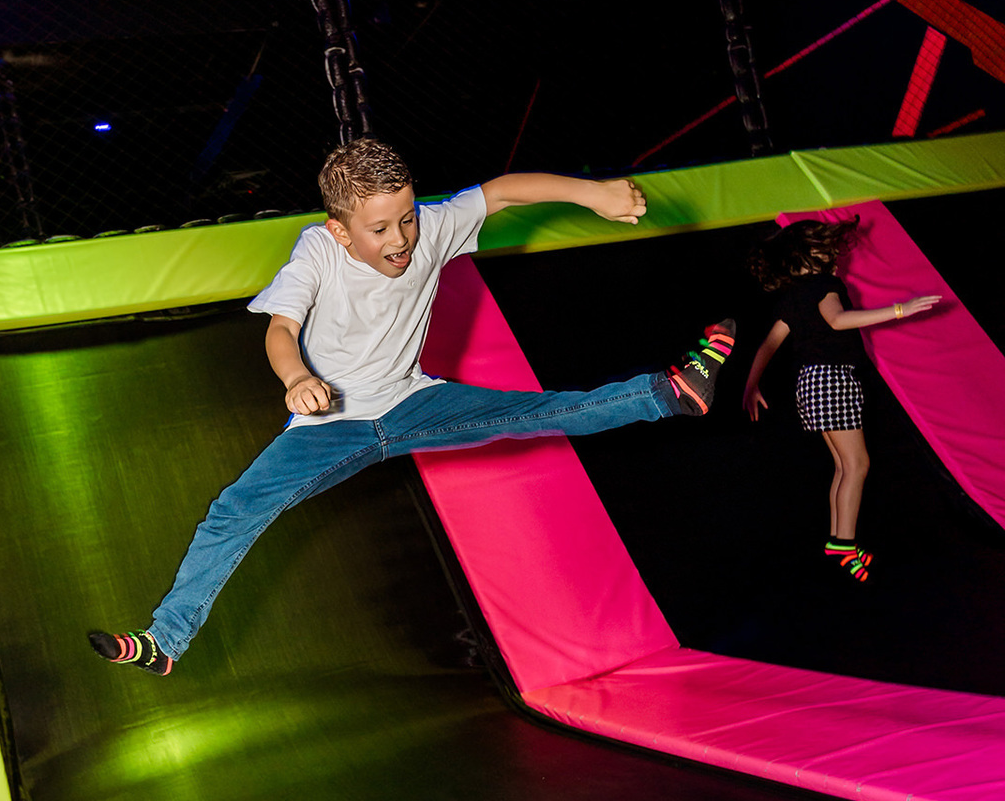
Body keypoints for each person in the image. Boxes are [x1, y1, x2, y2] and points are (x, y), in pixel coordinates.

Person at [90, 139, 736, 674]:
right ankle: (165, 640)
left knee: (539, 412)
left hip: (413, 404)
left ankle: (668, 394)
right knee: (236, 508)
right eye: (380, 229)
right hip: (330, 425)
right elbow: (280, 329)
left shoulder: (431, 228)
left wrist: (593, 193)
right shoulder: (317, 252)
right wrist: (294, 380)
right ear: (341, 231)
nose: (401, 240)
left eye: (407, 218)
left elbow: (504, 190)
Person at [743, 219, 940, 580]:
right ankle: (844, 545)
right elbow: (837, 321)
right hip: (832, 380)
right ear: (811, 255)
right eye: (828, 250)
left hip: (809, 384)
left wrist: (751, 386)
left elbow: (769, 344)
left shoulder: (793, 296)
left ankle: (838, 540)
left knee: (844, 466)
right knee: (858, 465)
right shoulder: (825, 285)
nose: (835, 256)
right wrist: (899, 310)